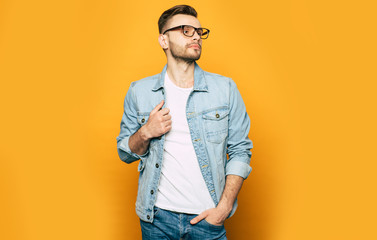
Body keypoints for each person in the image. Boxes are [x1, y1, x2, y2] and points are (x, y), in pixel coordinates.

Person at [116, 4, 253, 240]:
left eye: (199, 32)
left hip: (207, 219)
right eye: (186, 30)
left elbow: (241, 151)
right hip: (156, 218)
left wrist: (223, 210)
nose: (196, 36)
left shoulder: (225, 89)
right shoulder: (139, 91)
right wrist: (145, 132)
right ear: (164, 40)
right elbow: (125, 153)